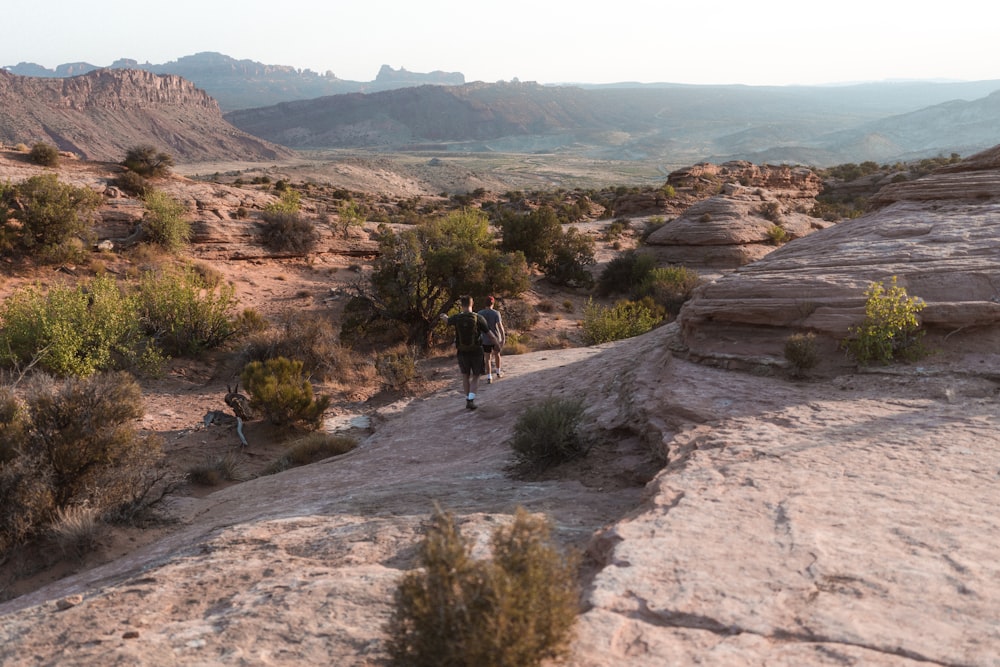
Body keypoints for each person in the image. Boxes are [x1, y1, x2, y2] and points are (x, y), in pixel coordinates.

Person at [440, 295, 491, 410]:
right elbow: (489, 334)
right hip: (477, 351)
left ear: (461, 305)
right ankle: (471, 399)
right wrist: (497, 343)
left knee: (465, 375)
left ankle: (467, 398)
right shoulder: (478, 318)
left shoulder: (457, 317)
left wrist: (443, 316)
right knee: (476, 375)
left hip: (462, 351)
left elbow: (447, 321)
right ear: (472, 304)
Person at [478, 296, 506, 383]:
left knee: (487, 358)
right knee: (497, 355)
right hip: (495, 338)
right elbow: (500, 326)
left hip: (485, 339)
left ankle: (489, 376)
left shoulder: (480, 313)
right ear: (493, 303)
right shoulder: (496, 313)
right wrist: (503, 337)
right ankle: (498, 372)